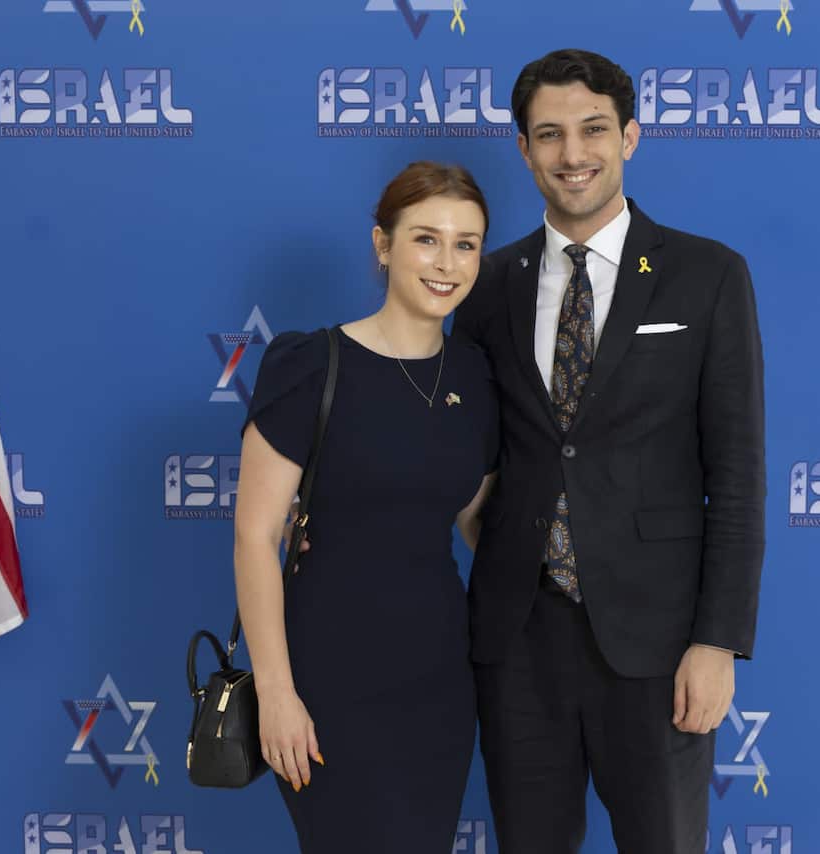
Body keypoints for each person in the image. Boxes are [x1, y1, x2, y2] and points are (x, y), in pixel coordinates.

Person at [452, 49, 766, 853]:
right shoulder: (487, 285)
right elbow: (465, 450)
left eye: (593, 129)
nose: (573, 154)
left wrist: (716, 640)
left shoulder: (708, 275)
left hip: (659, 645)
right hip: (517, 640)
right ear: (522, 149)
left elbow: (737, 475)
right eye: (549, 135)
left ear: (631, 135)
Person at [231, 161, 499, 853]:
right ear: (383, 245)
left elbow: (478, 522)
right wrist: (278, 694)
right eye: (426, 239)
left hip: (439, 681)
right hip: (327, 681)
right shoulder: (311, 366)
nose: (447, 262)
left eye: (466, 243)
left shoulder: (476, 374)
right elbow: (257, 537)